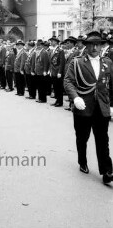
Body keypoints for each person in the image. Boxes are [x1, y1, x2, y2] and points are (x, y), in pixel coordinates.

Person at [64, 31, 113, 185]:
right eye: (91, 44)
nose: (94, 47)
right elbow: (68, 81)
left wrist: (111, 105)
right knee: (82, 137)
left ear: (101, 46)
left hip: (101, 107)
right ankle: (82, 161)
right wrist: (75, 97)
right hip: (83, 106)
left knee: (102, 139)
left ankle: (107, 171)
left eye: (97, 44)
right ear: (86, 46)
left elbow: (111, 86)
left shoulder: (108, 62)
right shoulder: (77, 62)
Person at [48, 36, 65, 107]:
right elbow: (51, 61)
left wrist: (60, 72)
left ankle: (60, 101)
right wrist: (50, 70)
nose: (51, 42)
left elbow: (62, 62)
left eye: (52, 41)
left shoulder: (60, 50)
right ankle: (57, 100)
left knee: (59, 87)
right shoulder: (53, 50)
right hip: (53, 71)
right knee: (55, 87)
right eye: (51, 41)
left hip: (57, 71)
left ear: (56, 42)